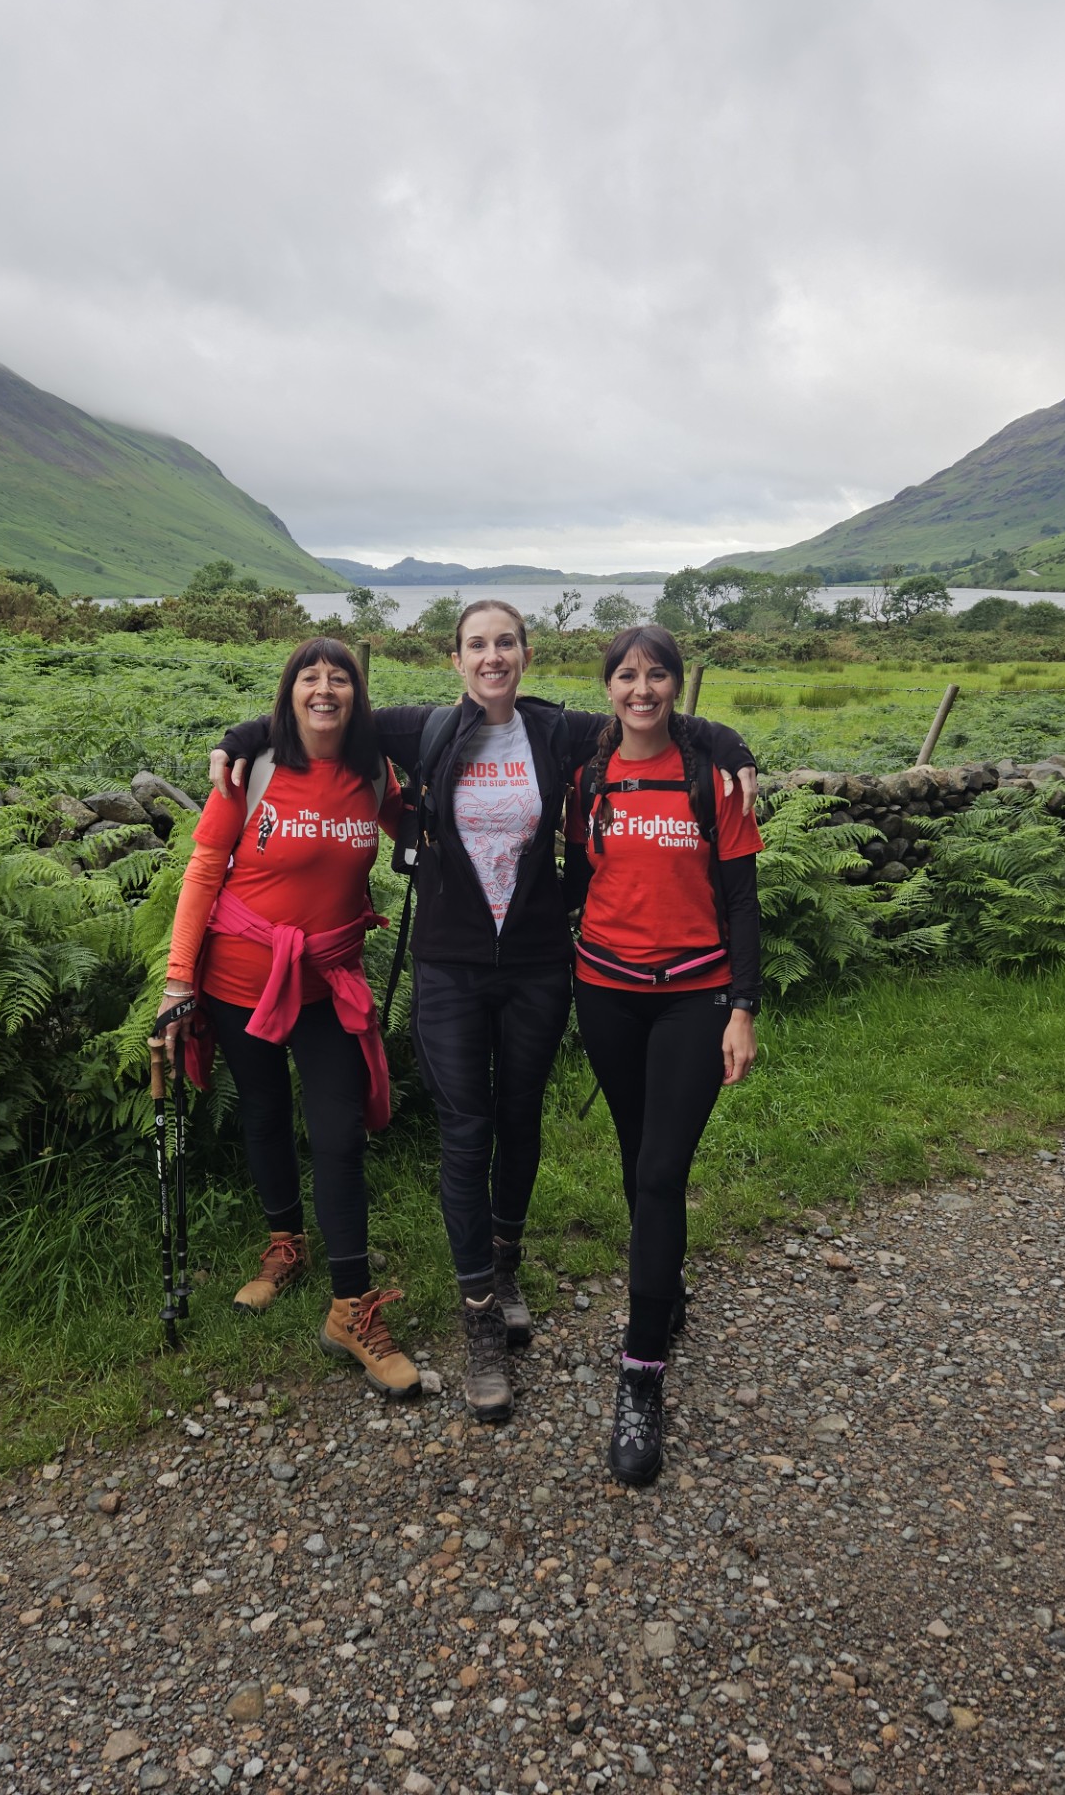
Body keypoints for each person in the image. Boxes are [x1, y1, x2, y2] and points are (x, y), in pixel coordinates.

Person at [211, 600, 757, 1424]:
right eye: (476, 645)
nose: (492, 656)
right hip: (450, 966)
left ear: (526, 655)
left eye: (505, 643)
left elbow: (652, 712)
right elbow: (320, 711)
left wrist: (735, 747)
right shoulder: (422, 729)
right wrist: (239, 739)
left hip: (538, 964)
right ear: (455, 659)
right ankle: (478, 1323)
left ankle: (505, 1265)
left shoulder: (560, 733)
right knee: (466, 1128)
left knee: (520, 1117)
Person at [153, 636, 419, 1399]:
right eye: (312, 676)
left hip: (327, 980)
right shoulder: (253, 767)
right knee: (264, 1110)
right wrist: (178, 981)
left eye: (341, 677)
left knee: (337, 1133)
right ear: (290, 691)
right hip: (239, 973)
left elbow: (414, 831)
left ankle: (350, 1309)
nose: (327, 687)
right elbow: (205, 868)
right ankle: (283, 1246)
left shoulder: (373, 770)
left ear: (356, 693)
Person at [564, 625, 763, 1486]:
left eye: (657, 676)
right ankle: (665, 1284)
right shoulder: (588, 777)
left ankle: (641, 1380)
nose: (641, 689)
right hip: (604, 989)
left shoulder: (713, 775)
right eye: (626, 676)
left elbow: (745, 902)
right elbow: (577, 882)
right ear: (607, 687)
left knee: (658, 1173)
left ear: (677, 685)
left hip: (695, 995)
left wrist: (743, 1008)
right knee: (634, 1153)